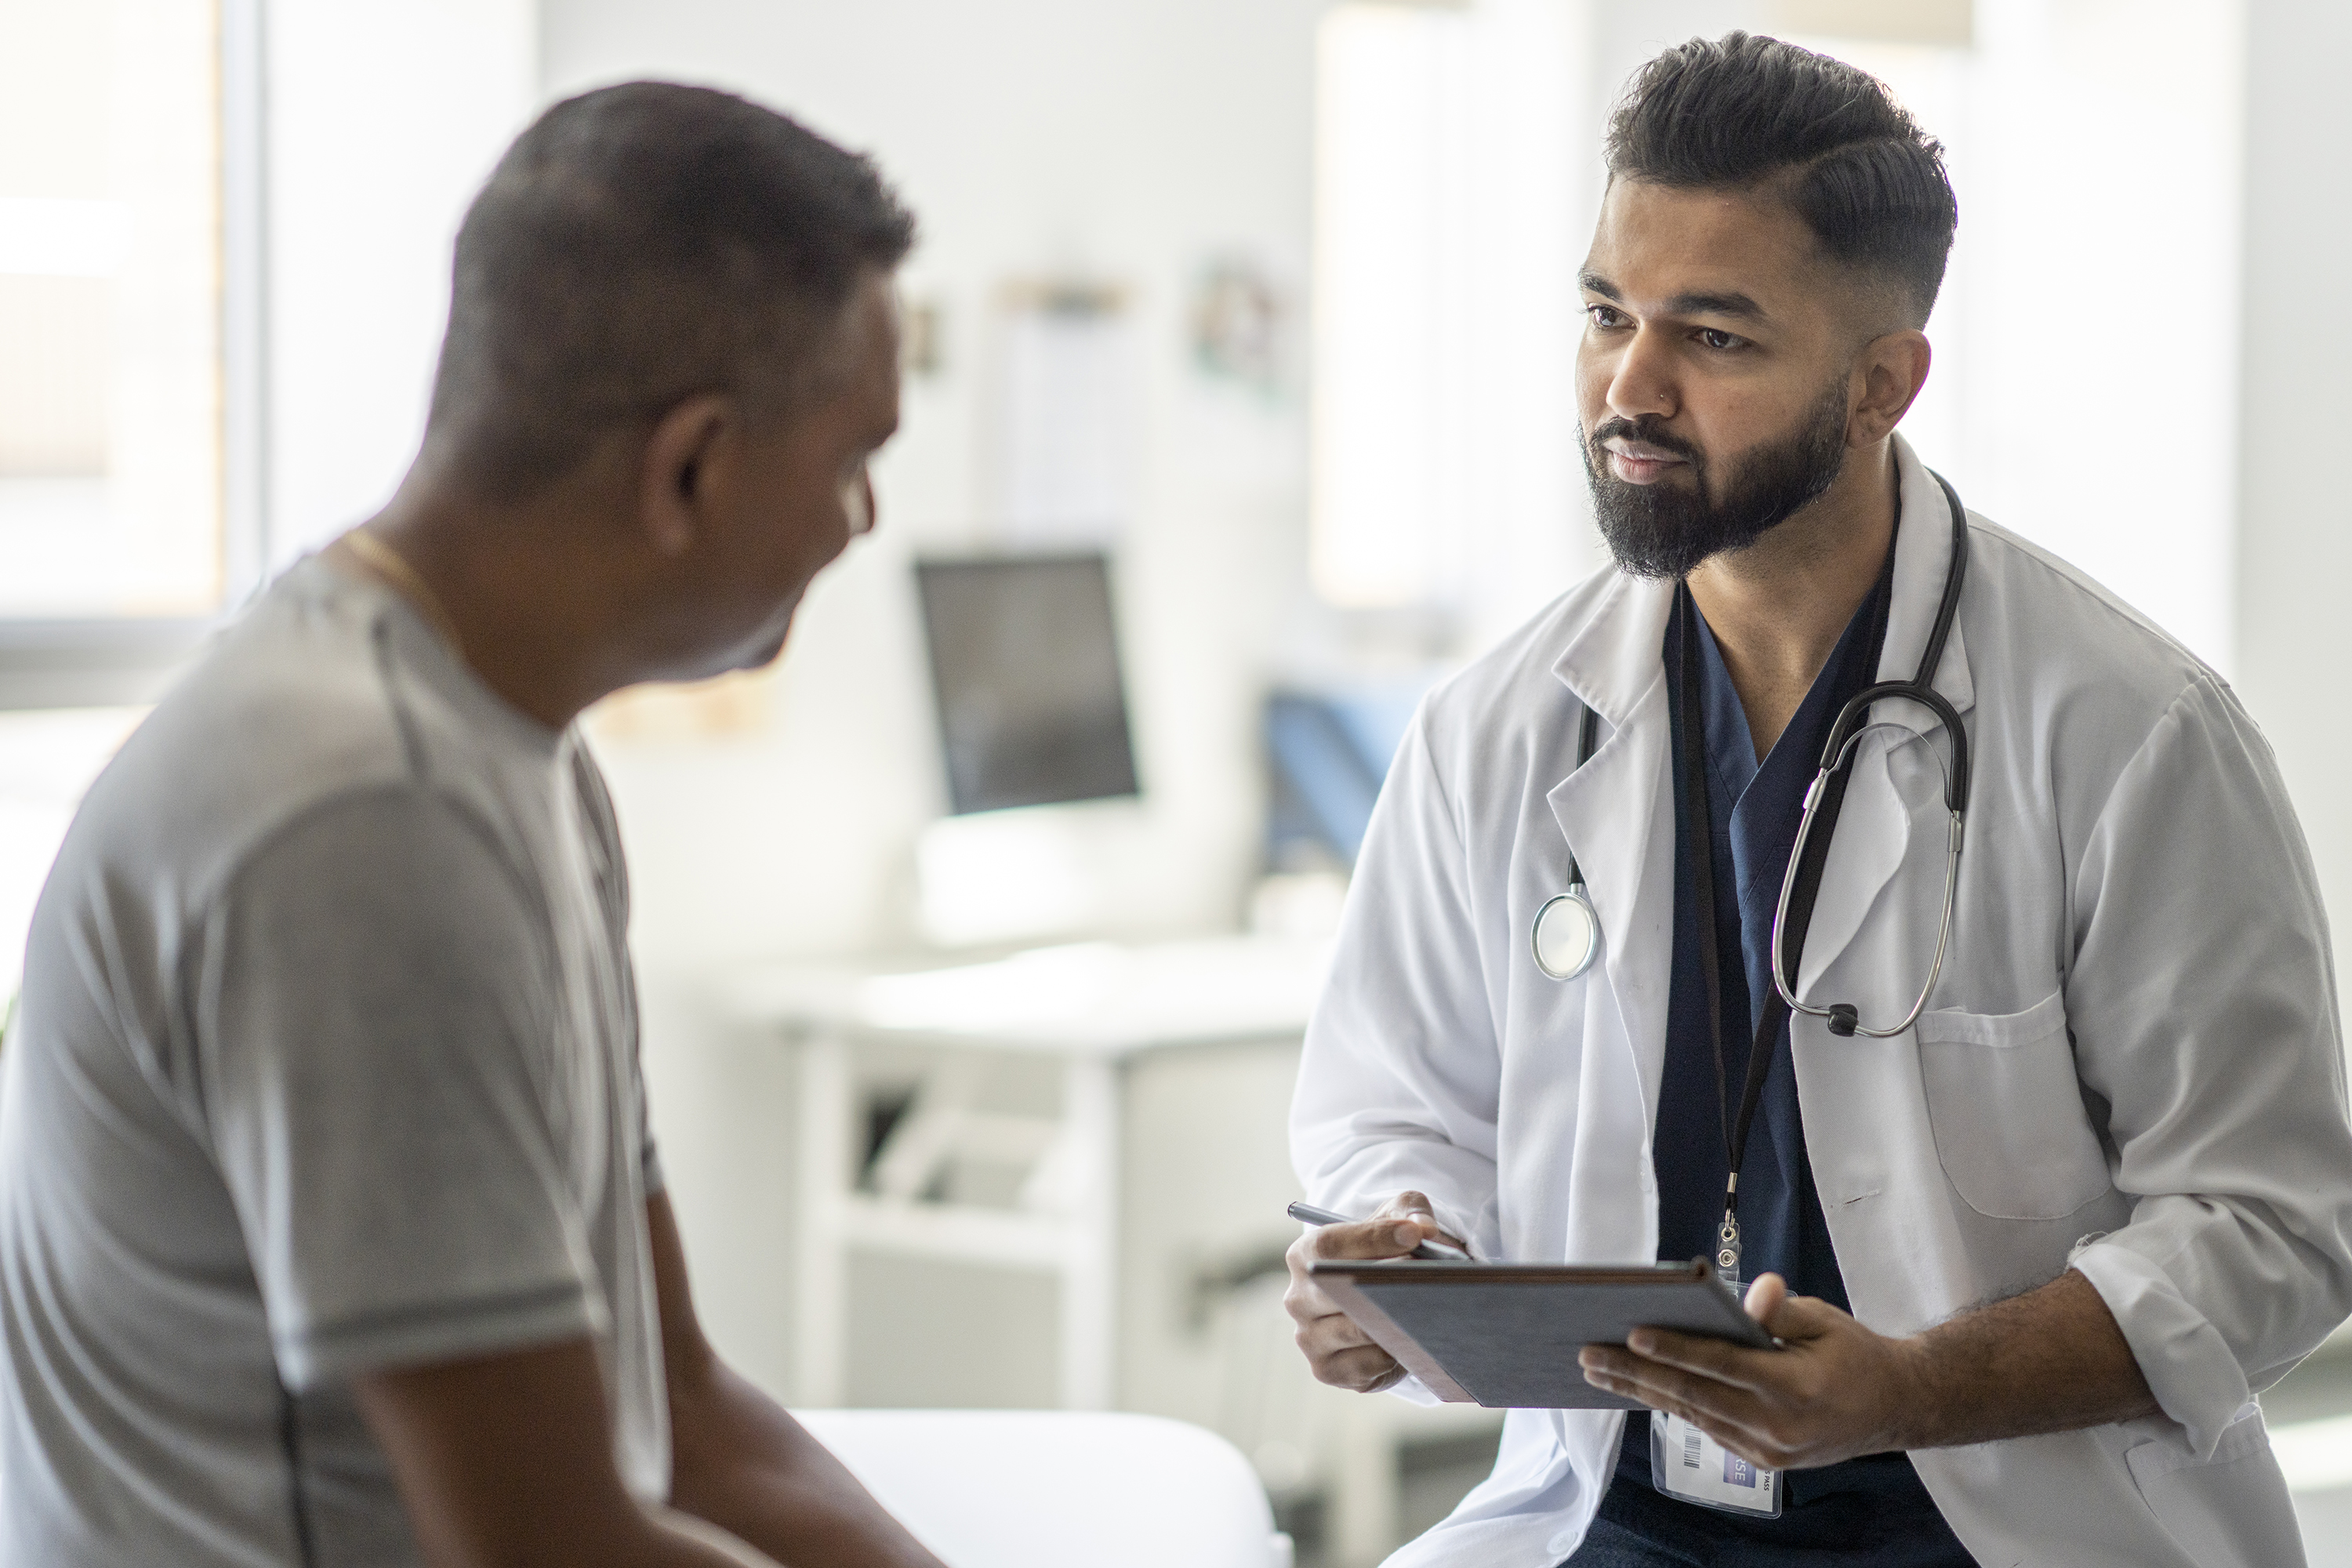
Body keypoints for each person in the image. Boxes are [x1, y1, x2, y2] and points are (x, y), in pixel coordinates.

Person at [1283, 33, 2352, 1568]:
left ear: (1880, 387)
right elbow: (1394, 1103)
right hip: (1623, 1515)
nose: (1628, 386)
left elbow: (2273, 1224)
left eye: (1711, 338)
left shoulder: (2129, 733)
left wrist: (1909, 1389)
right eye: (1605, 314)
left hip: (1996, 1523)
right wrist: (1390, 1259)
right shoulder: (1501, 729)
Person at [0, 83, 946, 1568]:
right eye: (849, 460)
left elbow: (677, 1410)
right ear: (690, 466)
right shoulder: (356, 823)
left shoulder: (520, 756)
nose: (862, 523)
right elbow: (551, 1549)